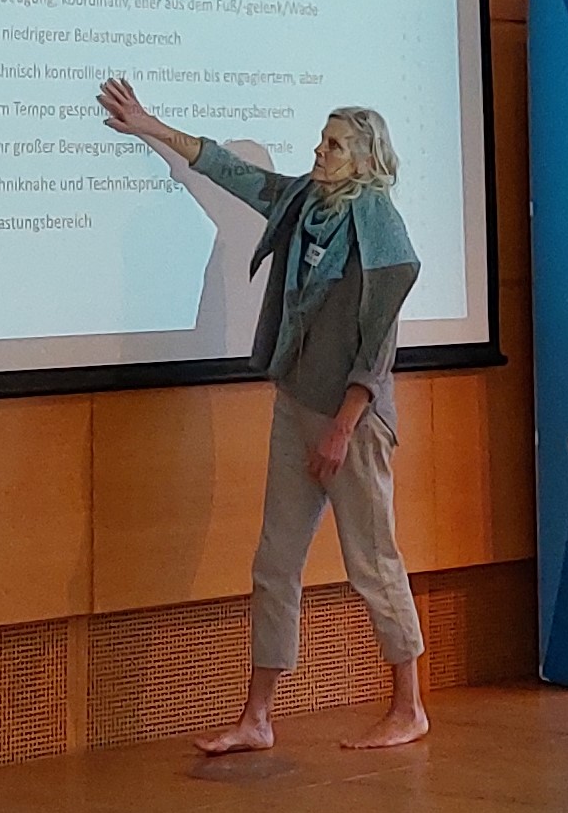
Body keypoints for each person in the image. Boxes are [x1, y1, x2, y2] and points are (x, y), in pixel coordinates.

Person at [96, 78, 429, 753]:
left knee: (372, 562)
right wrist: (149, 125)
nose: (319, 151)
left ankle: (410, 706)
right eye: (322, 141)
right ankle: (258, 716)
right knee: (274, 561)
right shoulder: (305, 202)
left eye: (334, 145)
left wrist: (341, 428)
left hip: (352, 422)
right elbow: (229, 172)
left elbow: (377, 347)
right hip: (296, 404)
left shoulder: (378, 227)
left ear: (364, 160)